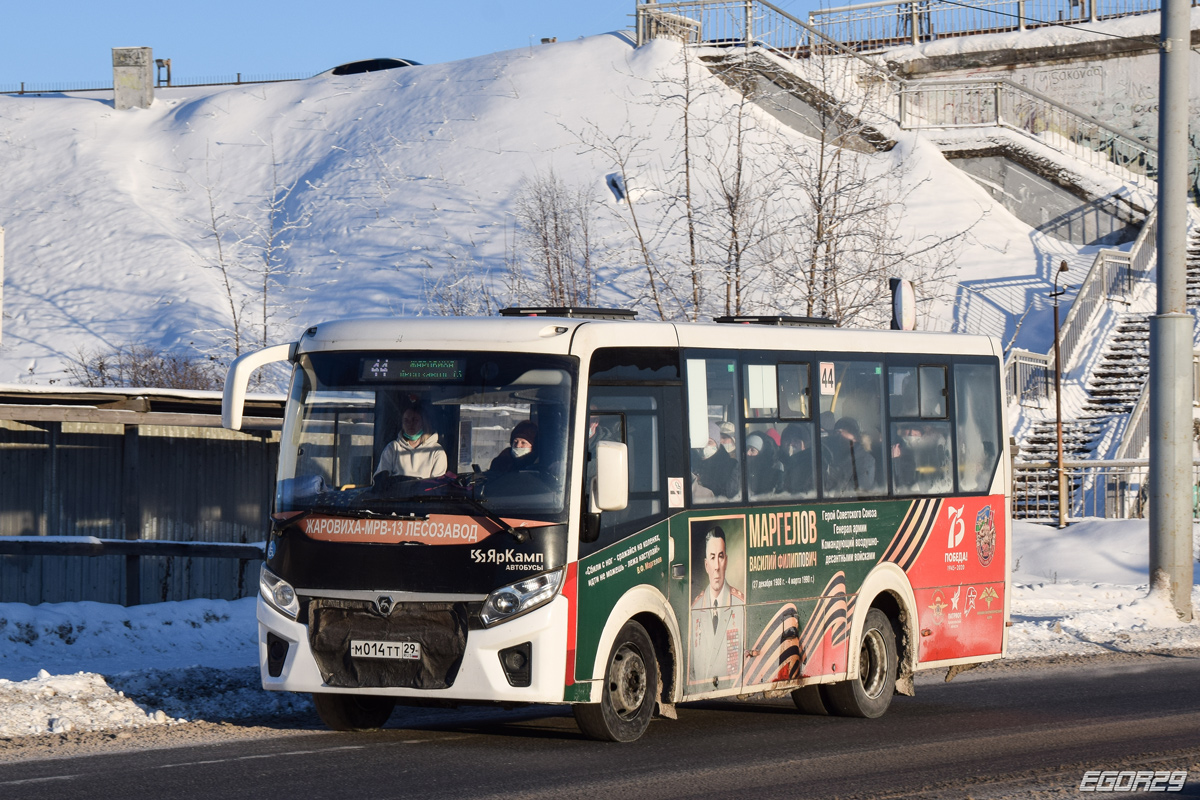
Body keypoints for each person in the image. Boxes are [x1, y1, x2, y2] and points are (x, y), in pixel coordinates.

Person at [690, 527, 745, 687]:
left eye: (720, 557)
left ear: (726, 561)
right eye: (712, 558)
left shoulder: (740, 604)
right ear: (706, 565)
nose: (716, 566)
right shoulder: (695, 609)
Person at [374, 399, 447, 480]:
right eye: (406, 421)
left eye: (415, 420)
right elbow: (380, 479)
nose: (410, 424)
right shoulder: (392, 448)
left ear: (424, 423)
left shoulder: (436, 451)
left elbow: (437, 485)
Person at [692, 421, 739, 500]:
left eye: (709, 442)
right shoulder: (691, 462)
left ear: (717, 444)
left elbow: (729, 495)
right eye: (702, 442)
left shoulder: (730, 466)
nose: (705, 446)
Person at [778, 424, 815, 497]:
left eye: (796, 441)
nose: (791, 444)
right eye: (787, 440)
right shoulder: (775, 462)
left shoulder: (813, 465)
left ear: (805, 445)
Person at [745, 431, 783, 498]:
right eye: (746, 449)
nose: (747, 453)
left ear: (761, 454)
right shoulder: (738, 470)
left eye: (752, 450)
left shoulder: (774, 475)